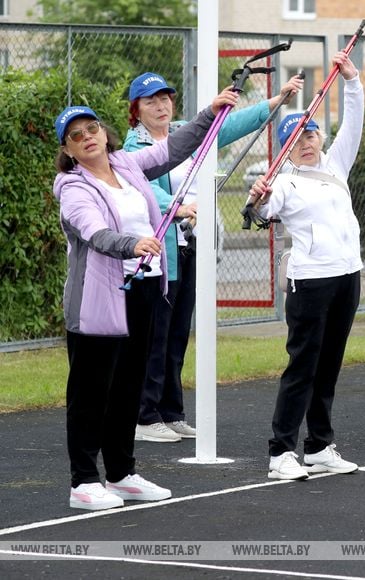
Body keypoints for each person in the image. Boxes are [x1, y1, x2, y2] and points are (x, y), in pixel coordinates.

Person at [54, 89, 239, 510]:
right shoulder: (72, 187)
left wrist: (210, 111)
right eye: (76, 135)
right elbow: (93, 231)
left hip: (144, 288)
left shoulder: (127, 164)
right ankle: (83, 480)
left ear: (105, 132)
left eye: (92, 128)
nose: (87, 137)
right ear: (67, 149)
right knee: (90, 392)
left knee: (128, 387)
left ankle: (121, 474)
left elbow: (174, 146)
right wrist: (130, 243)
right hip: (98, 301)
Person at [124, 72, 303, 443]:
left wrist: (276, 100)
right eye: (151, 101)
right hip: (160, 253)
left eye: (165, 98)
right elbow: (138, 188)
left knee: (178, 334)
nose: (160, 106)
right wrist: (177, 207)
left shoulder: (183, 132)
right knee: (156, 336)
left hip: (192, 247)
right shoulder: (133, 145)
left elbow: (228, 124)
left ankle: (170, 411)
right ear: (135, 110)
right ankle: (143, 416)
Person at [247, 52, 362, 480]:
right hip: (310, 283)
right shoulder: (281, 180)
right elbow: (262, 212)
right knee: (303, 367)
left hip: (348, 275)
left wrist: (352, 81)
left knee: (330, 364)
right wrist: (257, 200)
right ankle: (281, 451)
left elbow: (354, 122)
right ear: (286, 146)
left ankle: (318, 446)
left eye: (311, 133)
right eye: (298, 137)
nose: (308, 141)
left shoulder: (335, 165)